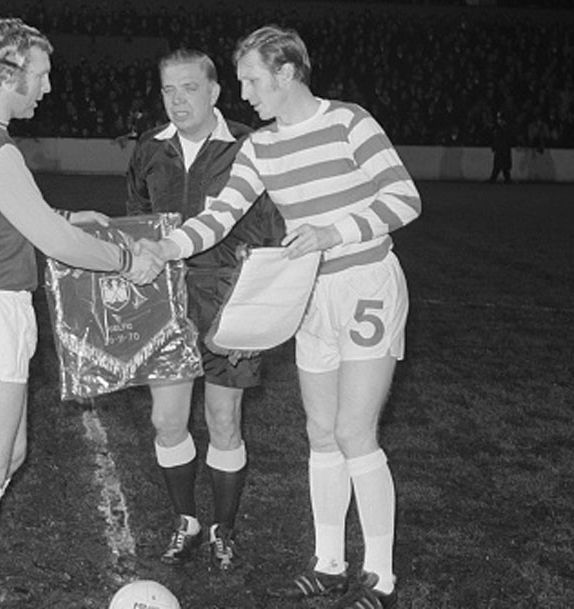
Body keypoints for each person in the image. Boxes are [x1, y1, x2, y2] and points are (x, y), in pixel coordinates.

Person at [134, 25, 421, 609]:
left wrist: (331, 232)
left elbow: (403, 198)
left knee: (353, 432)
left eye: (252, 79)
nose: (244, 93)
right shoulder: (260, 147)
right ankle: (330, 563)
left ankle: (381, 578)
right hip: (310, 294)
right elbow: (220, 214)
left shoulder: (349, 122)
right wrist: (167, 247)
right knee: (320, 433)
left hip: (365, 282)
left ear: (287, 73)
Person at [0, 18, 161, 609]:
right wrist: (124, 258)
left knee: (10, 455)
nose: (49, 86)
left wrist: (58, 213)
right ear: (9, 74)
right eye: (41, 74)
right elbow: (55, 246)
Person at [125, 48, 285, 572]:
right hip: (167, 301)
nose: (177, 101)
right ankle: (186, 521)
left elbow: (271, 226)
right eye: (168, 90)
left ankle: (225, 528)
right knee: (166, 420)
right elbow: (139, 224)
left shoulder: (248, 146)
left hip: (228, 300)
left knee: (223, 418)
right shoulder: (150, 148)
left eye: (189, 88)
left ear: (215, 91)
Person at [488, 112, 513, 183]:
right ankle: (496, 179)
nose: (498, 121)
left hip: (504, 150)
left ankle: (505, 179)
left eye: (500, 119)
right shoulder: (497, 129)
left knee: (503, 166)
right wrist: (494, 146)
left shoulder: (506, 129)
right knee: (498, 166)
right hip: (499, 150)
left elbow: (507, 140)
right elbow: (495, 139)